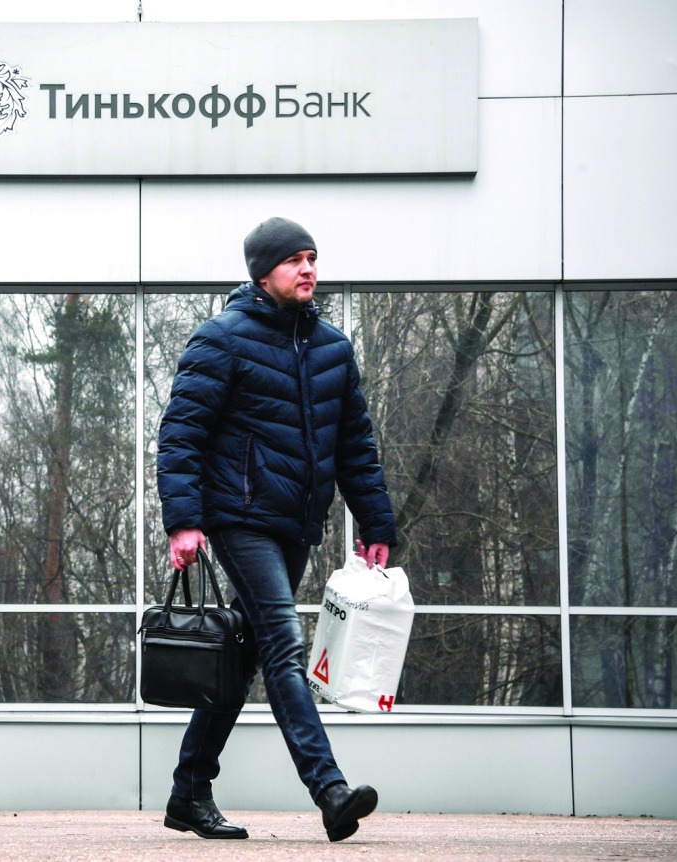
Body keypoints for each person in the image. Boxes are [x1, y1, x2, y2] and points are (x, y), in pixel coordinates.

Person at [156, 217, 397, 843]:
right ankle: (330, 790)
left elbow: (356, 447)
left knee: (244, 659)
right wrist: (184, 520)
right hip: (238, 520)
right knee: (285, 647)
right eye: (295, 260)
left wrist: (375, 521)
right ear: (263, 272)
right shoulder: (222, 340)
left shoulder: (332, 349)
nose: (309, 269)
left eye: (313, 258)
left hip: (295, 524)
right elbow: (181, 436)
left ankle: (188, 792)